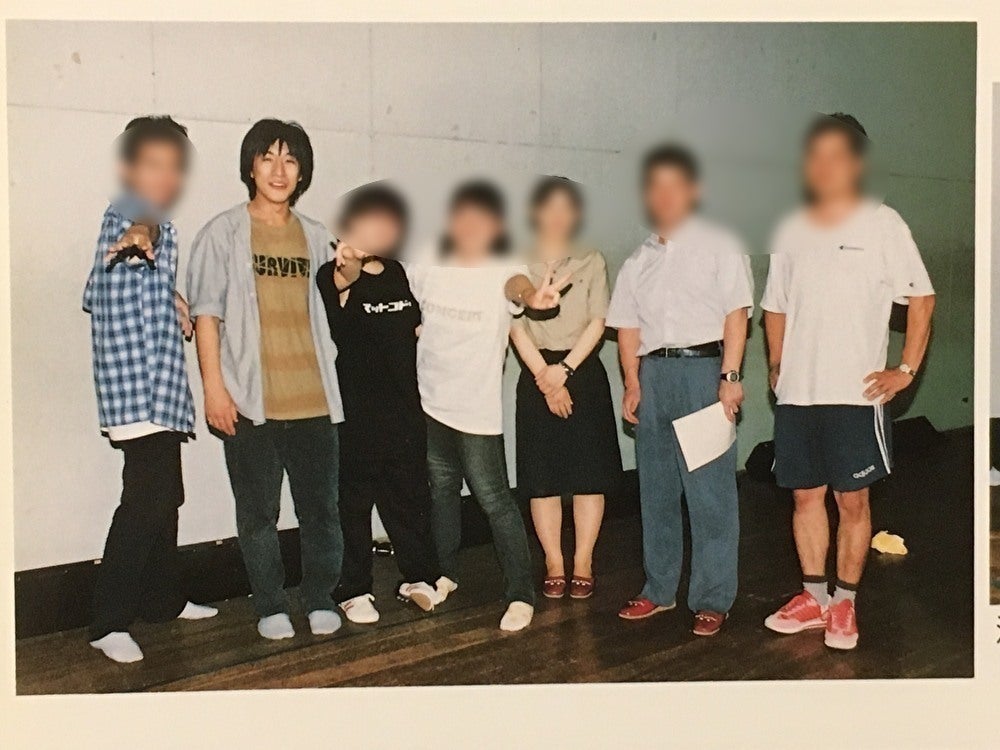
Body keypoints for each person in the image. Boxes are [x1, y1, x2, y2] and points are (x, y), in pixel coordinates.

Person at [761, 113, 935, 650]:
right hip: (798, 396)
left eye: (836, 155)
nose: (823, 165)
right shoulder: (790, 229)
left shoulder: (884, 224)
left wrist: (905, 370)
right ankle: (814, 597)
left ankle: (845, 604)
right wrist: (776, 363)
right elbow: (774, 306)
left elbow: (922, 298)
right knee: (804, 499)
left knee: (852, 502)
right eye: (814, 154)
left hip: (856, 397)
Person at [185, 119, 345, 641]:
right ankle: (271, 604)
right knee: (257, 514)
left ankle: (319, 596)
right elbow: (206, 316)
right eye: (268, 158)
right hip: (251, 401)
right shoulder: (222, 232)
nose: (279, 170)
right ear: (250, 167)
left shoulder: (318, 236)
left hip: (315, 400)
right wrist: (214, 389)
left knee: (322, 512)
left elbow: (341, 305)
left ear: (302, 173)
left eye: (290, 160)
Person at [83, 116, 217, 663]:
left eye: (175, 166)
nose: (166, 177)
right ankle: (107, 621)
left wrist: (173, 300)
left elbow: (103, 290)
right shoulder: (128, 214)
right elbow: (141, 229)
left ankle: (163, 600)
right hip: (136, 390)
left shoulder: (161, 227)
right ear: (129, 170)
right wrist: (142, 233)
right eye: (153, 164)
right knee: (145, 501)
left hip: (159, 392)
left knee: (166, 496)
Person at [606, 144, 753, 637]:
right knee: (656, 492)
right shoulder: (638, 260)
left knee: (710, 496)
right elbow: (627, 326)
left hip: (702, 374)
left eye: (675, 185)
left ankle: (712, 598)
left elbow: (736, 314)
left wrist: (730, 378)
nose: (665, 195)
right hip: (654, 377)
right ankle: (659, 589)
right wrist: (632, 382)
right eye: (656, 186)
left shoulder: (720, 244)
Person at [407, 179, 567, 631]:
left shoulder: (503, 266)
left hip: (476, 411)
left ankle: (520, 593)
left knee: (494, 499)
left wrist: (533, 297)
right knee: (441, 491)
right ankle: (445, 574)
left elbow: (519, 287)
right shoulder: (426, 261)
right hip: (429, 402)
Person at [316, 182, 443, 623]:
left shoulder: (402, 274)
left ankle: (418, 577)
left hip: (405, 411)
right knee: (353, 504)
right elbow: (341, 284)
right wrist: (348, 267)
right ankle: (353, 589)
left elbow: (421, 326)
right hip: (356, 415)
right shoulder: (332, 274)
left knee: (409, 498)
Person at [508, 176, 621, 600]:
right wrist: (545, 376)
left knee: (590, 475)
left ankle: (583, 562)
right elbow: (514, 327)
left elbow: (599, 321)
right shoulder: (516, 262)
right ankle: (554, 562)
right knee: (542, 478)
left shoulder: (591, 260)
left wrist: (566, 370)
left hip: (582, 371)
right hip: (537, 373)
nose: (558, 216)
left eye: (566, 207)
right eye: (549, 206)